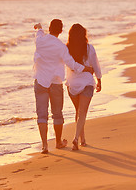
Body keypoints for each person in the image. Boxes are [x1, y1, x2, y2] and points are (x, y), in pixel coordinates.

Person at [33, 19, 93, 154]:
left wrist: (39, 27)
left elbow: (38, 33)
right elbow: (72, 65)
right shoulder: (61, 47)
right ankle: (58, 142)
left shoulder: (40, 41)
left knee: (42, 115)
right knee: (57, 114)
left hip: (41, 81)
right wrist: (87, 69)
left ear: (50, 28)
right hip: (55, 82)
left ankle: (44, 146)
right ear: (61, 31)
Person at [65, 23, 102, 151]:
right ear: (83, 35)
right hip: (86, 83)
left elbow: (68, 65)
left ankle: (83, 140)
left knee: (78, 112)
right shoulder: (89, 48)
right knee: (82, 113)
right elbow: (96, 65)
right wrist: (99, 80)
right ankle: (76, 138)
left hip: (72, 85)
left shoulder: (66, 49)